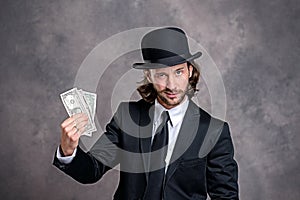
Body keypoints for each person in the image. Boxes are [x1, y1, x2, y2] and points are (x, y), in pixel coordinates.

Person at [53, 27, 239, 200]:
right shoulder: (127, 116)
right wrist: (68, 151)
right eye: (161, 75)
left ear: (190, 71)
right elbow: (91, 171)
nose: (172, 85)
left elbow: (225, 196)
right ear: (149, 76)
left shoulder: (214, 131)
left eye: (178, 72)